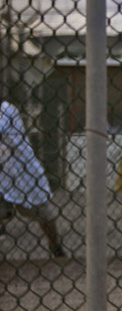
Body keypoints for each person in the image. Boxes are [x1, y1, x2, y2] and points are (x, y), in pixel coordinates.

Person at [0, 101, 65, 258]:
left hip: (21, 170)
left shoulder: (6, 109)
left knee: (43, 212)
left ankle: (55, 246)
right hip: (2, 173)